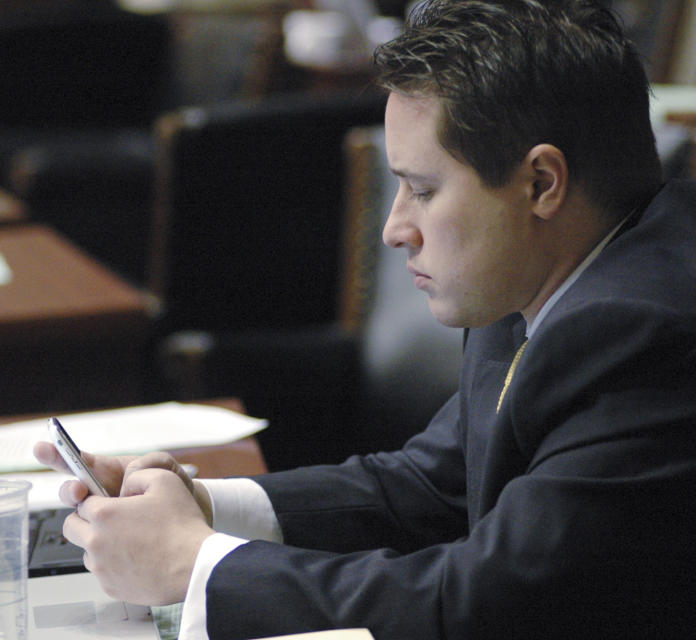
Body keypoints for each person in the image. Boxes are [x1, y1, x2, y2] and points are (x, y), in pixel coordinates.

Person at [34, 1, 696, 637]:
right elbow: (432, 487)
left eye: (425, 190)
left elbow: (486, 605)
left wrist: (192, 563)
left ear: (542, 184)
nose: (394, 228)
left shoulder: (645, 334)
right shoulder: (539, 273)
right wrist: (203, 509)